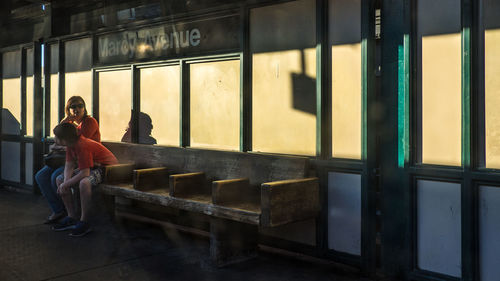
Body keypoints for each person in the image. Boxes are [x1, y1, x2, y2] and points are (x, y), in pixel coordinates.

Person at [35, 96, 100, 224]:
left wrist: (58, 146)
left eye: (80, 106)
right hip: (66, 160)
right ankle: (59, 209)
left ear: (84, 108)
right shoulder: (70, 125)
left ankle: (69, 212)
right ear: (68, 109)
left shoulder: (89, 122)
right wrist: (64, 122)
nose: (77, 109)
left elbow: (77, 144)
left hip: (84, 162)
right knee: (40, 176)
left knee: (56, 177)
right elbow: (57, 141)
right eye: (73, 107)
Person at [52, 122, 118, 237]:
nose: (55, 139)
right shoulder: (71, 145)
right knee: (59, 179)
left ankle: (84, 221)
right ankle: (72, 217)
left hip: (109, 169)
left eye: (57, 137)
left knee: (84, 182)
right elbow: (69, 165)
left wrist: (65, 185)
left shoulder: (82, 145)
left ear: (65, 139)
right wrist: (65, 183)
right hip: (94, 167)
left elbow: (84, 173)